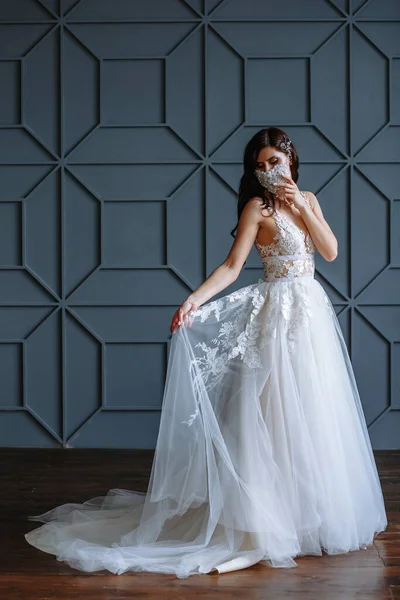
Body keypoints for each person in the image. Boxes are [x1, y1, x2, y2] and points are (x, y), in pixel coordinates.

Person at [24, 127, 388, 578]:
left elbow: (329, 252)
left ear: (291, 160)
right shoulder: (258, 207)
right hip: (275, 317)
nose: (269, 170)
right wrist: (194, 299)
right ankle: (268, 522)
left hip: (311, 316)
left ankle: (310, 516)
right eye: (261, 165)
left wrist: (300, 205)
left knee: (315, 412)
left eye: (276, 161)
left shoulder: (308, 199)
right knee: (273, 413)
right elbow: (233, 266)